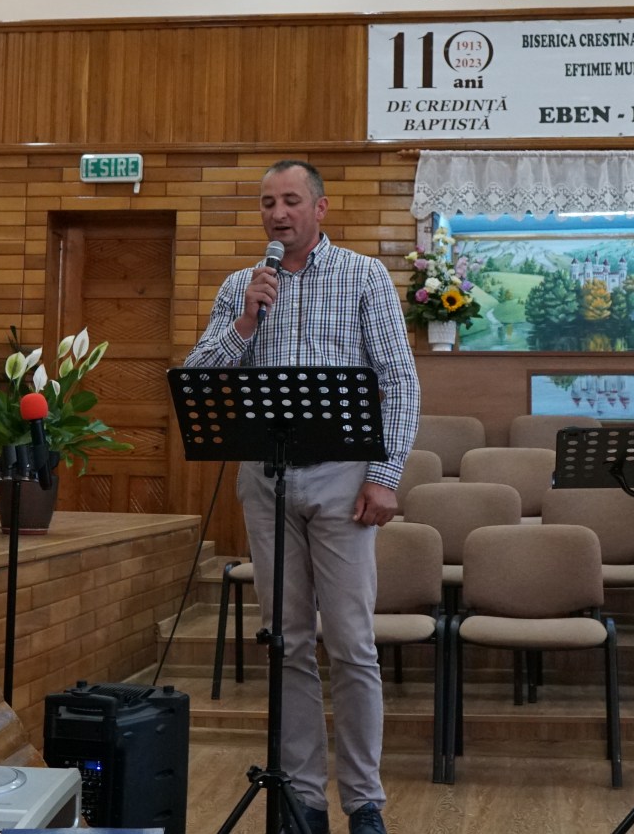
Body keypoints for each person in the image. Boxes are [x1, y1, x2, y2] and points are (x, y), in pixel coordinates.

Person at [185, 160, 420, 834]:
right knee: (286, 642)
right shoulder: (241, 286)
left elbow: (399, 381)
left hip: (343, 478)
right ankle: (303, 800)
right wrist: (244, 324)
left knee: (350, 644)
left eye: (290, 200)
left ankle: (364, 802)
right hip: (266, 480)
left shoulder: (363, 276)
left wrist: (385, 474)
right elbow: (199, 376)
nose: (277, 213)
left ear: (320, 207)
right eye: (267, 203)